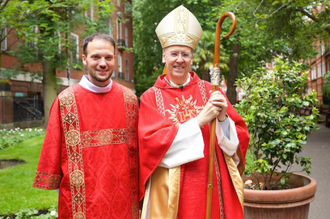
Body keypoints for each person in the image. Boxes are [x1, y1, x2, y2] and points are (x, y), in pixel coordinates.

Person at [138, 5, 250, 219]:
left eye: (185, 54)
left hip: (212, 184)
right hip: (170, 190)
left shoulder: (211, 91)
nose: (179, 59)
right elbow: (150, 145)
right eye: (174, 53)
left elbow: (238, 141)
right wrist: (199, 120)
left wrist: (223, 118)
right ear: (164, 57)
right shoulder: (150, 97)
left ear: (191, 58)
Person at [33, 33, 139, 219]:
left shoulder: (129, 100)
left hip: (123, 202)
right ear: (84, 59)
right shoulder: (65, 101)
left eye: (108, 57)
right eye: (95, 57)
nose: (103, 63)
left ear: (115, 58)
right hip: (81, 206)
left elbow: (142, 150)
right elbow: (52, 154)